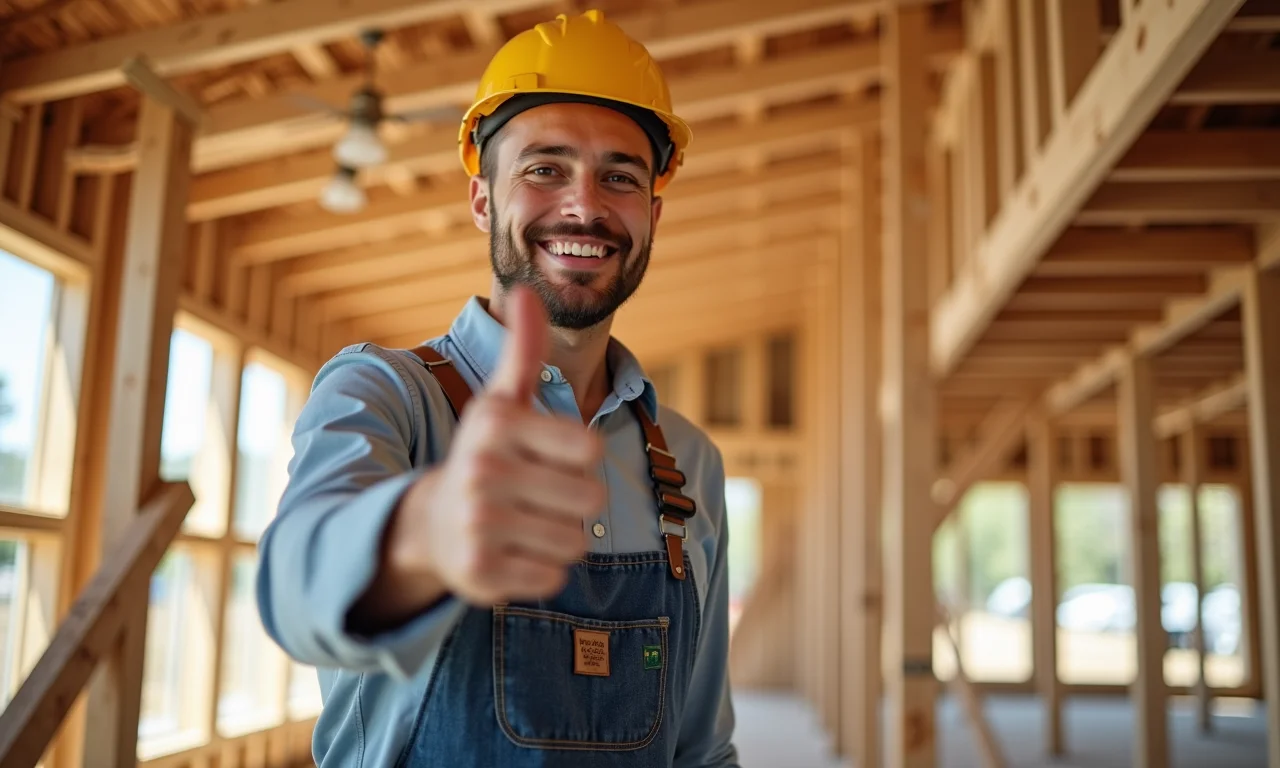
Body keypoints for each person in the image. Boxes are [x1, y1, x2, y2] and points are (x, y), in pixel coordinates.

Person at [256, 9, 741, 767]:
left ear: (651, 214)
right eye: (544, 168)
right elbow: (293, 590)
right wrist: (424, 534)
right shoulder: (383, 395)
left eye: (619, 176)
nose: (583, 205)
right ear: (483, 199)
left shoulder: (688, 460)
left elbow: (702, 749)